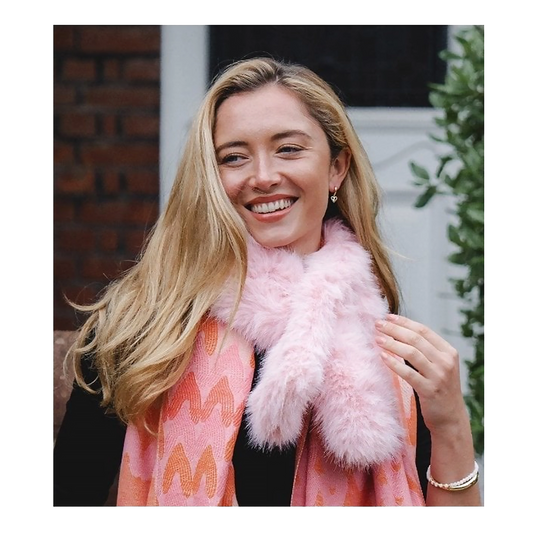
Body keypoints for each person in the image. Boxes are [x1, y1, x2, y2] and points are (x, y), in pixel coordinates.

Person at [53, 57, 482, 509]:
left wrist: (451, 422)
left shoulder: (381, 344)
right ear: (212, 177)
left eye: (289, 149)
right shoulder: (144, 327)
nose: (262, 177)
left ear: (337, 168)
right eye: (233, 157)